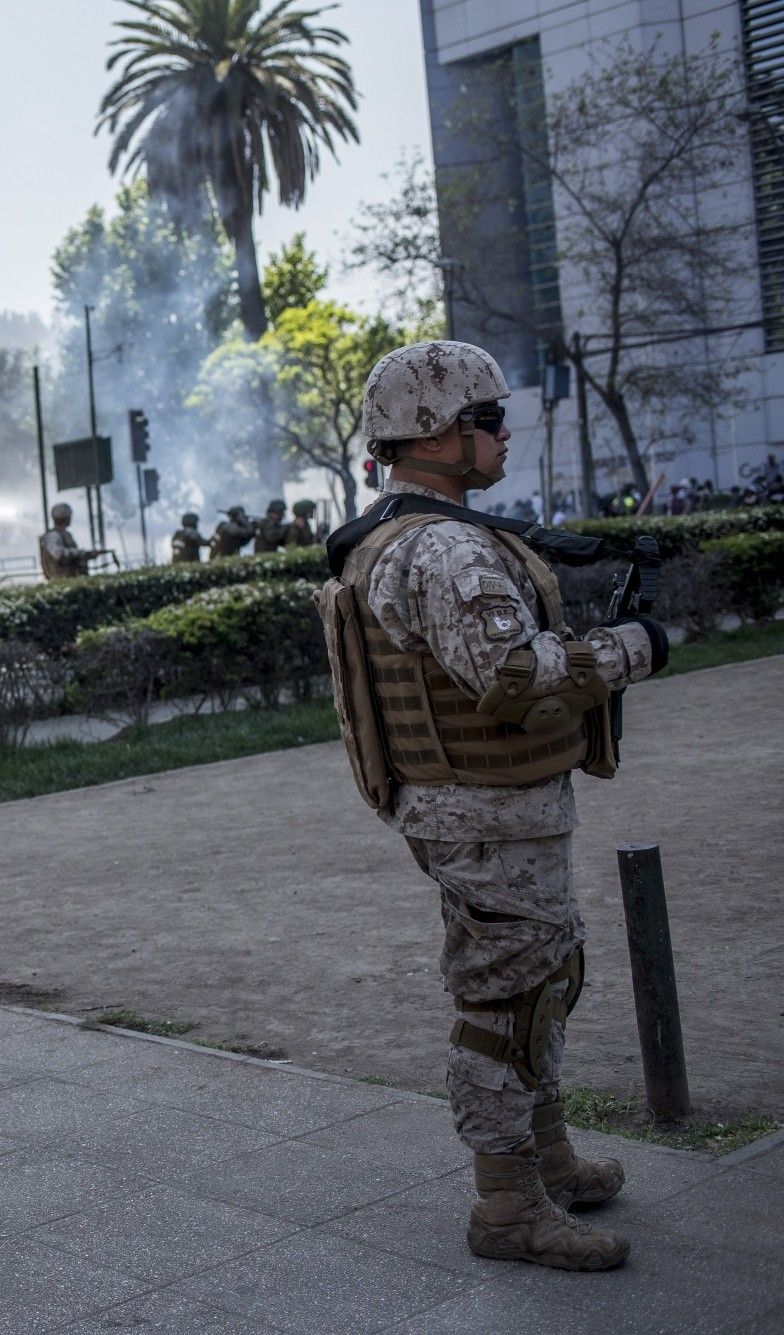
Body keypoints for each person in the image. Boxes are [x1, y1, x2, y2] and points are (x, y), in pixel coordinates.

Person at [322, 339, 665, 1272]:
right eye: (486, 421)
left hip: (494, 812)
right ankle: (507, 1204)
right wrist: (633, 647)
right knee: (504, 1001)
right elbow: (511, 679)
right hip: (482, 816)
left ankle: (543, 1157)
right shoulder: (439, 547)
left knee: (546, 978)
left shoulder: (422, 534)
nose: (504, 435)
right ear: (434, 435)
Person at [38, 501, 103, 579]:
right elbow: (58, 555)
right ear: (65, 518)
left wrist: (87, 555)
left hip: (70, 578)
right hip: (61, 580)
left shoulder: (63, 534)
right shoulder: (53, 536)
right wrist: (79, 553)